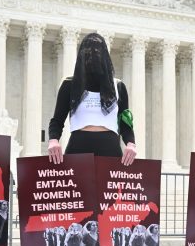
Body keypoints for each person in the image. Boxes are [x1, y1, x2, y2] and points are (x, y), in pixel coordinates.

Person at [47, 32, 136, 166]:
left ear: (104, 55)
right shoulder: (69, 85)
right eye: (88, 51)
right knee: (77, 186)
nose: (93, 56)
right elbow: (57, 120)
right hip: (78, 148)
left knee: (108, 187)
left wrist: (131, 143)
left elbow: (125, 123)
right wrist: (53, 140)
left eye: (97, 51)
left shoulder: (118, 87)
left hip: (110, 149)